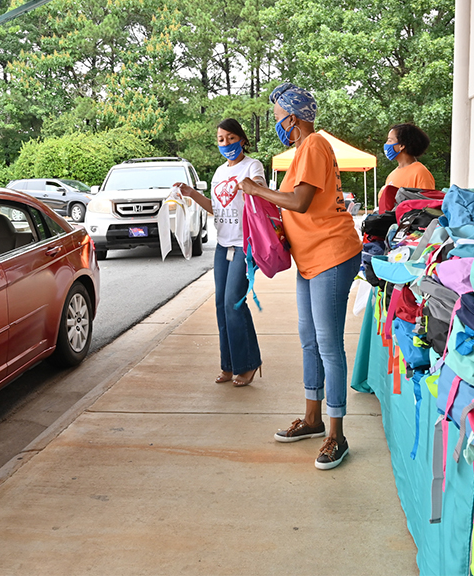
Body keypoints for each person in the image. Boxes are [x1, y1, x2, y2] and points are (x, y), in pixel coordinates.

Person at [239, 83, 362, 470]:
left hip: (332, 254)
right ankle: (312, 419)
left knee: (328, 345)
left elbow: (301, 201)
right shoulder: (302, 152)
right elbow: (296, 207)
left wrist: (258, 190)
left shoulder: (313, 145)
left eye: (277, 117)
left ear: (292, 118)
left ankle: (336, 434)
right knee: (309, 341)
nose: (277, 123)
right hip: (310, 258)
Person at [174, 119, 264, 387]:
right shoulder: (218, 172)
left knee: (233, 303)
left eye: (230, 138)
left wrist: (249, 184)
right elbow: (216, 207)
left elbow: (258, 187)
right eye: (221, 139)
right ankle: (229, 365)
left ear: (242, 139)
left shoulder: (252, 165)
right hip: (223, 245)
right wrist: (191, 194)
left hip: (244, 244)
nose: (225, 144)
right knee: (220, 307)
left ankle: (247, 363)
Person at [378, 123, 435, 213]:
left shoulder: (420, 172)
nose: (386, 144)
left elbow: (427, 207)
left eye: (390, 140)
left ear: (401, 145)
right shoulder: (392, 175)